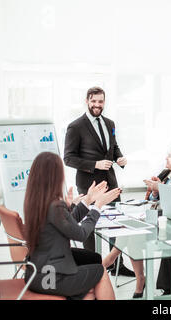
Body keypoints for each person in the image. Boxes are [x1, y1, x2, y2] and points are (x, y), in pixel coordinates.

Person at [23, 152, 120, 300]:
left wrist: (87, 200)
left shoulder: (36, 201)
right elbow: (80, 234)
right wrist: (98, 206)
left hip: (36, 272)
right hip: (50, 278)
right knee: (100, 271)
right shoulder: (55, 205)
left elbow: (67, 224)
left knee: (93, 259)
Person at [102, 146, 171, 298]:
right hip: (154, 220)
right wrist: (154, 192)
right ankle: (138, 277)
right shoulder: (165, 174)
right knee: (130, 232)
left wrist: (160, 188)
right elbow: (153, 200)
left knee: (133, 234)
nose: (166, 158)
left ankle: (113, 258)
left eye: (170, 156)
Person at [63, 86, 133, 277]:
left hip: (110, 182)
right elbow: (68, 158)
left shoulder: (110, 123)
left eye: (100, 101)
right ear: (87, 101)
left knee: (115, 223)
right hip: (89, 185)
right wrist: (95, 164)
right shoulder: (75, 126)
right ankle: (91, 266)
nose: (97, 105)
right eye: (93, 101)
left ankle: (115, 265)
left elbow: (113, 146)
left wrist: (119, 158)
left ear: (104, 102)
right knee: (90, 227)